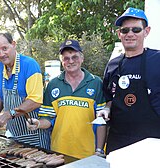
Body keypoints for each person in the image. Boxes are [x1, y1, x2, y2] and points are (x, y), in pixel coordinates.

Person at [26, 39, 107, 159]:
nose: (71, 61)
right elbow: (48, 119)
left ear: (82, 58)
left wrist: (99, 150)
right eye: (66, 58)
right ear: (61, 61)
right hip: (59, 152)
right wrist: (37, 124)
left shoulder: (96, 83)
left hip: (88, 153)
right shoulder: (53, 84)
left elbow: (101, 122)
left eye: (74, 57)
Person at [97, 7, 160, 154]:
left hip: (152, 144)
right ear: (119, 34)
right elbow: (110, 99)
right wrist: (106, 109)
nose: (130, 34)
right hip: (118, 144)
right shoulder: (113, 65)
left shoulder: (157, 60)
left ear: (146, 31)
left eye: (136, 30)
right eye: (125, 30)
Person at [0, 31, 50, 149]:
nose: (1, 54)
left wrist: (9, 114)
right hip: (13, 136)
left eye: (5, 48)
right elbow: (1, 94)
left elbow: (35, 101)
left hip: (34, 135)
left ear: (14, 44)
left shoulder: (30, 65)